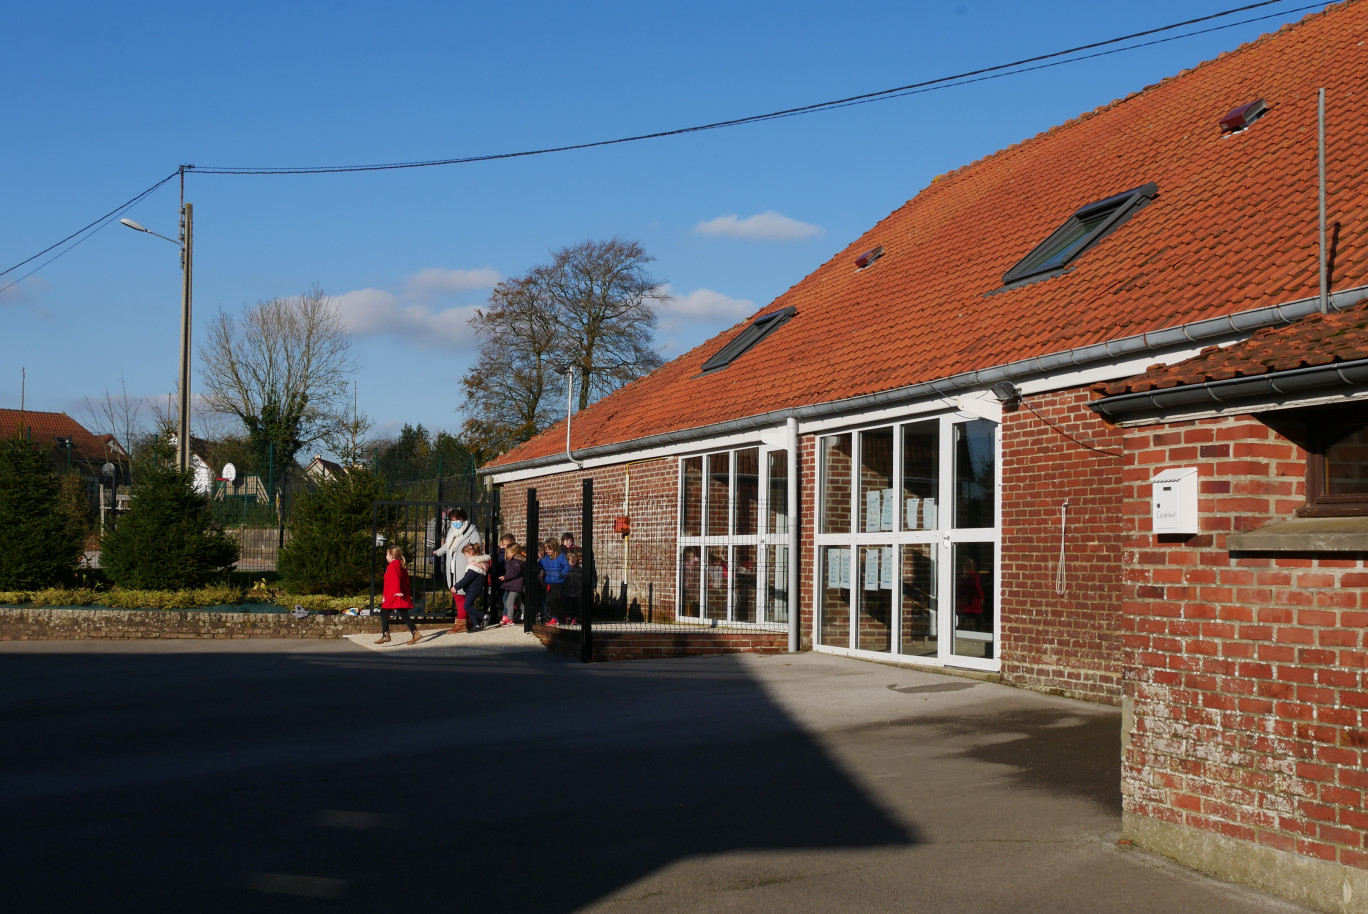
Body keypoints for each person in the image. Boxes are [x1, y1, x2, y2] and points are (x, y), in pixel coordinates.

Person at [433, 508, 481, 618]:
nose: (455, 523)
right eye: (452, 520)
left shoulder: (472, 532)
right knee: (456, 593)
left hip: (465, 568)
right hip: (452, 567)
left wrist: (470, 550)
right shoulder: (452, 530)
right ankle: (466, 619)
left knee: (460, 594)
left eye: (457, 520)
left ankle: (462, 620)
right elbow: (447, 546)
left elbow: (477, 548)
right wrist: (437, 552)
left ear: (463, 519)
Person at [376, 546, 421, 645]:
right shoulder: (399, 565)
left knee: (384, 612)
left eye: (387, 555)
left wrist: (396, 591)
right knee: (404, 614)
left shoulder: (392, 566)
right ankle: (415, 632)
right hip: (398, 594)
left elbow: (395, 579)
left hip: (394, 594)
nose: (386, 557)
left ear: (392, 556)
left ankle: (386, 634)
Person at [450, 544, 493, 632]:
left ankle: (484, 616)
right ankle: (476, 624)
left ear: (471, 553)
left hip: (473, 589)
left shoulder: (474, 566)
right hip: (473, 589)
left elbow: (467, 579)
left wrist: (456, 587)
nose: (465, 556)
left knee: (467, 606)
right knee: (468, 606)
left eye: (465, 554)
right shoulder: (480, 564)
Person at [538, 537, 569, 624]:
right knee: (549, 600)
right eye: (546, 548)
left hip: (558, 582)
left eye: (549, 549)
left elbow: (566, 566)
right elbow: (539, 566)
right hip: (548, 581)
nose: (547, 551)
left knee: (554, 600)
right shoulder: (544, 558)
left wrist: (562, 574)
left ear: (555, 548)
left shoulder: (561, 556)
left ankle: (555, 617)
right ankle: (554, 617)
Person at [499, 543, 526, 625]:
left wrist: (506, 577)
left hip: (515, 586)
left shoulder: (516, 562)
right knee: (519, 603)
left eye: (508, 553)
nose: (507, 555)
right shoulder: (517, 561)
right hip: (515, 586)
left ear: (514, 553)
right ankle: (524, 615)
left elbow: (515, 572)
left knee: (509, 602)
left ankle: (510, 618)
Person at [562, 547, 583, 625]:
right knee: (568, 606)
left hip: (577, 591)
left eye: (574, 561)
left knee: (576, 606)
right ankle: (567, 618)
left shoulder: (579, 569)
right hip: (568, 592)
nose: (573, 563)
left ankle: (574, 618)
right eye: (571, 562)